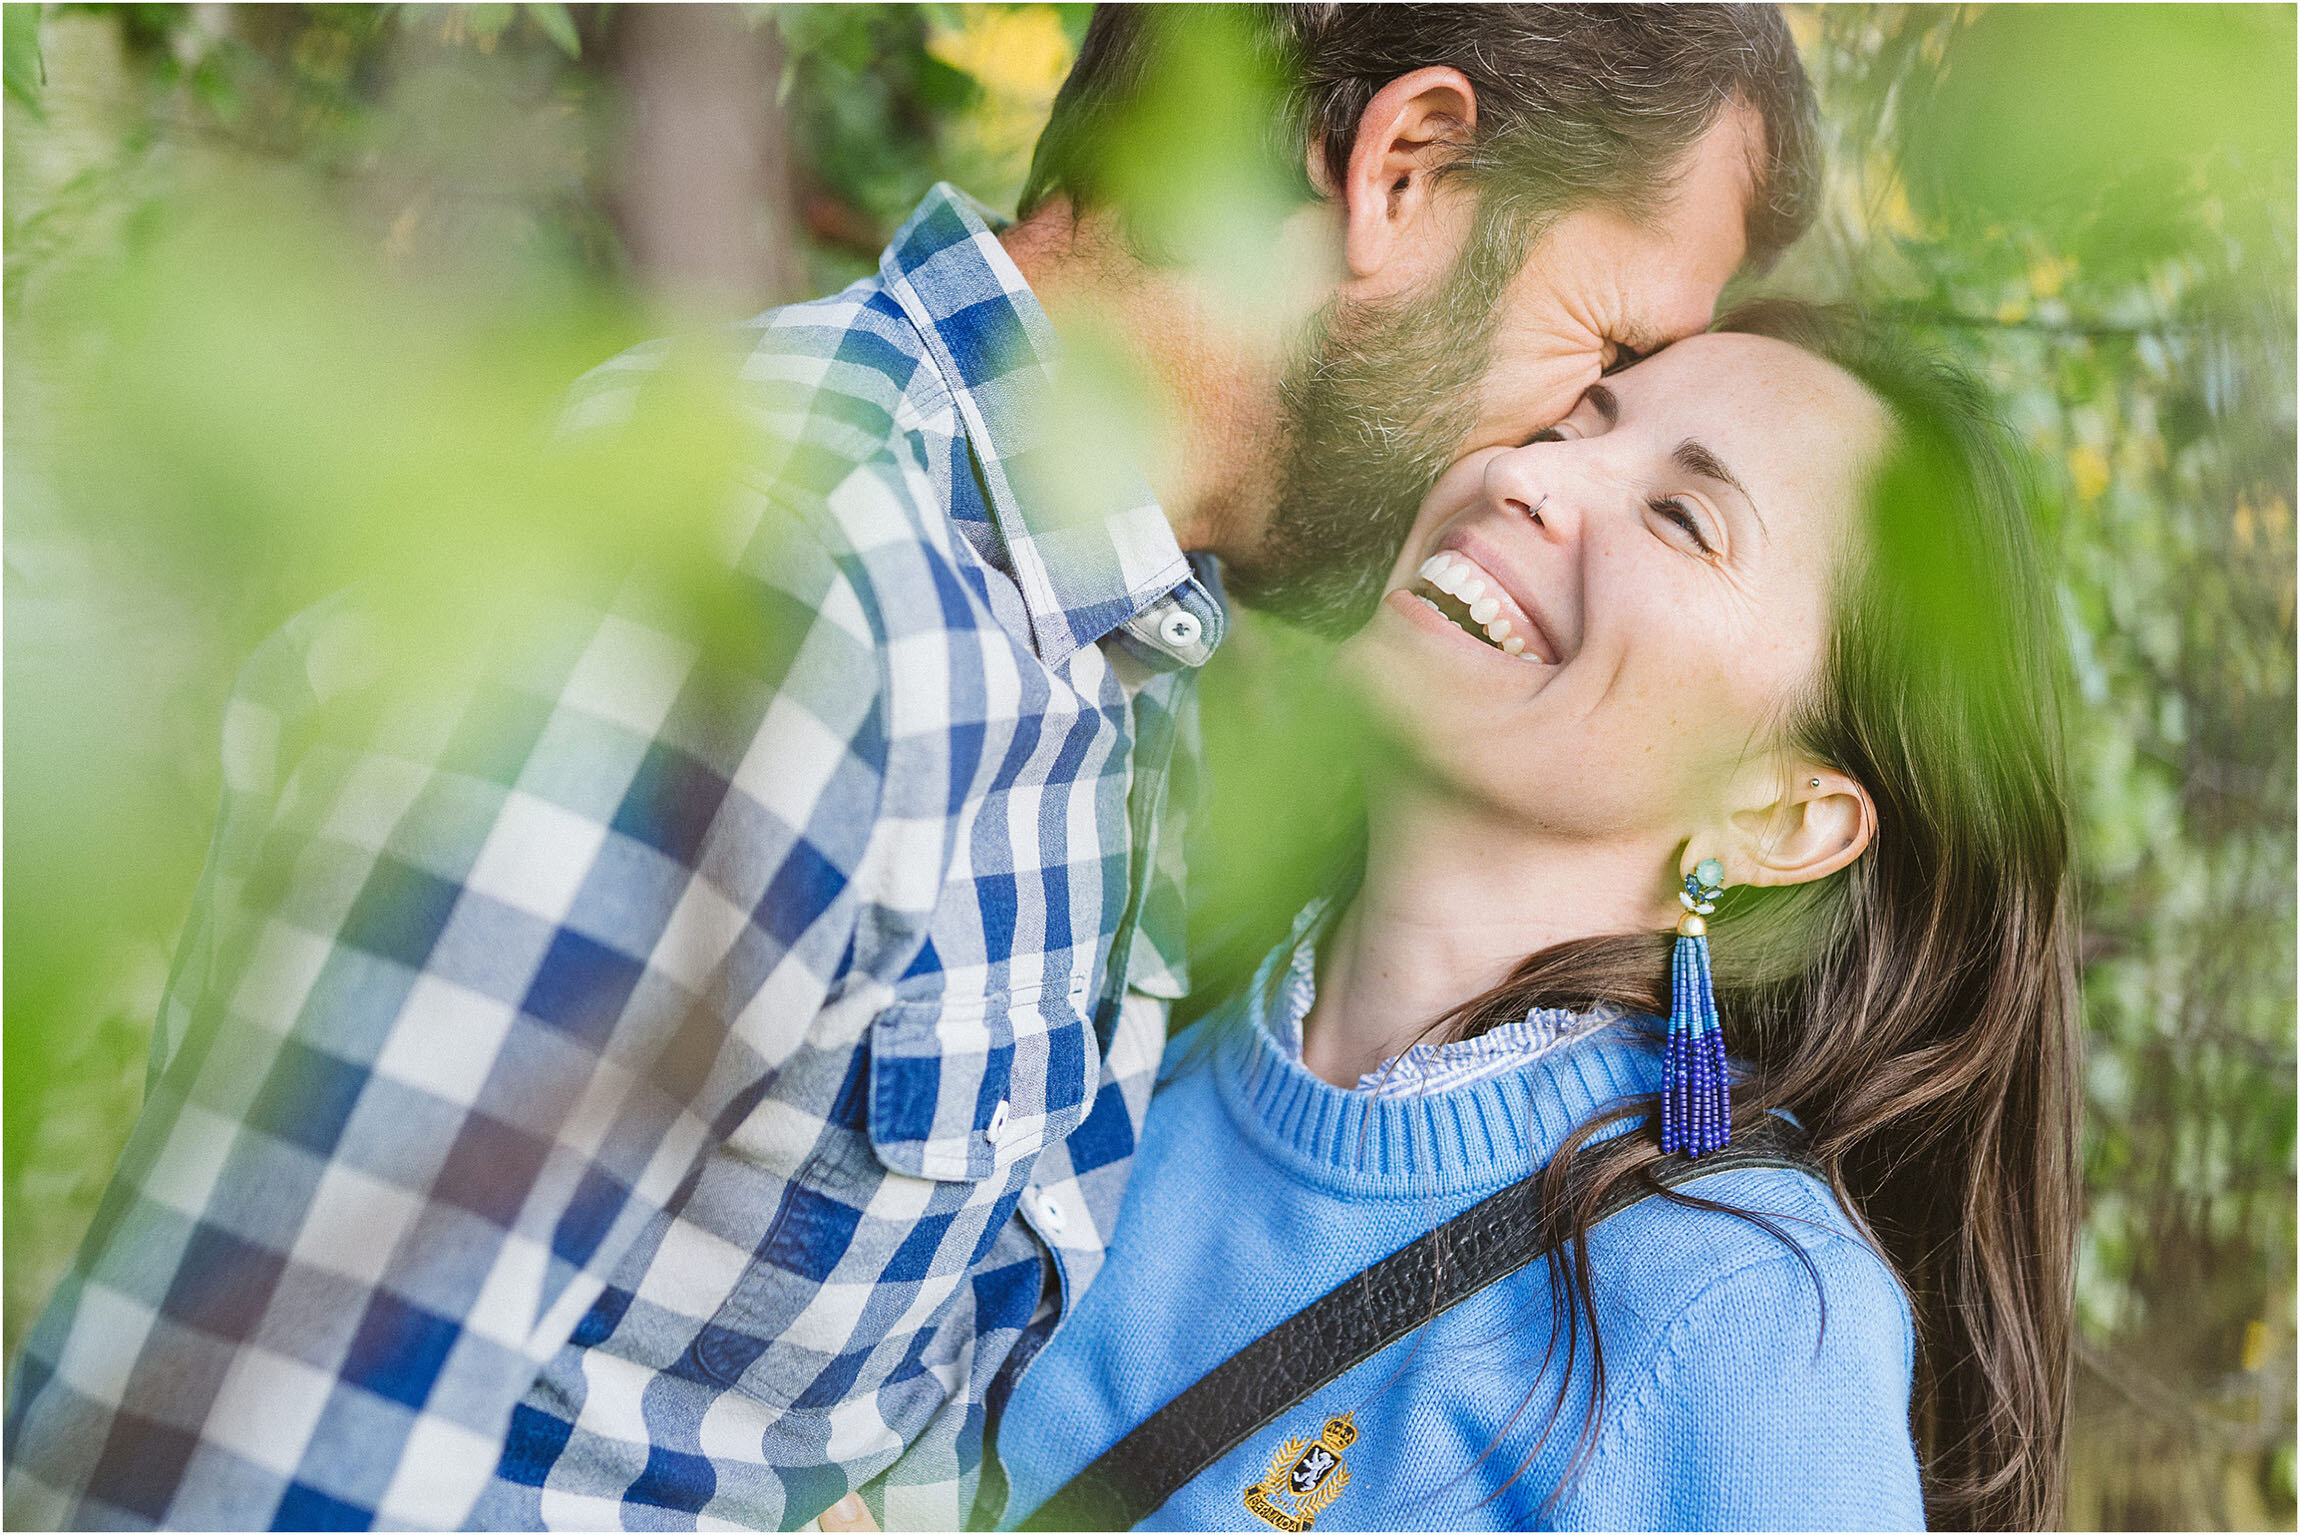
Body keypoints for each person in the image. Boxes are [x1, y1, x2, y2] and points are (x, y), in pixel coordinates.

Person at [2, 8, 1818, 1532]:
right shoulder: (771, 591)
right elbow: (226, 1459)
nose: (1550, 462)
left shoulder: (1102, 658)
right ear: (1404, 171)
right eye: (1606, 355)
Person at [991, 303, 2082, 1532]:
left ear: (1780, 817)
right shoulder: (1111, 994)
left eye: (1681, 516)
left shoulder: (1741, 1314)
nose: (1526, 473)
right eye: (1567, 422)